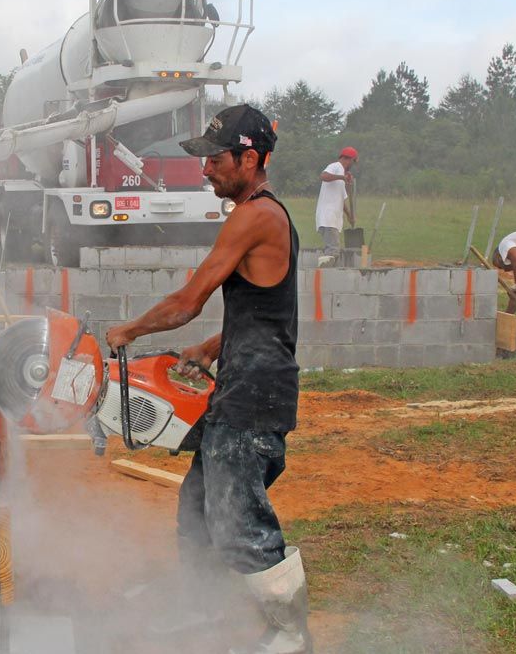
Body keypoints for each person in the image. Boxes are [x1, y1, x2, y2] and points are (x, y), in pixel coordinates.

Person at [106, 105, 312, 654]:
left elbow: (188, 301)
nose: (205, 170)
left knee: (236, 518)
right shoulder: (262, 215)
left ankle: (292, 635)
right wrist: (212, 348)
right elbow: (268, 311)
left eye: (215, 159)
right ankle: (200, 613)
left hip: (255, 393)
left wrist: (128, 330)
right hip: (241, 381)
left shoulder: (256, 215)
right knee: (198, 507)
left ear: (251, 158)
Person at [315, 147, 358, 267]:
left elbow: (341, 201)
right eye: (353, 162)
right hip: (328, 217)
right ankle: (323, 274)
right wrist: (341, 177)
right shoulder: (335, 166)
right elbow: (323, 176)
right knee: (333, 251)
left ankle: (325, 272)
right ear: (348, 159)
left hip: (333, 219)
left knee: (333, 250)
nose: (352, 165)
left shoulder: (342, 173)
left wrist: (350, 216)